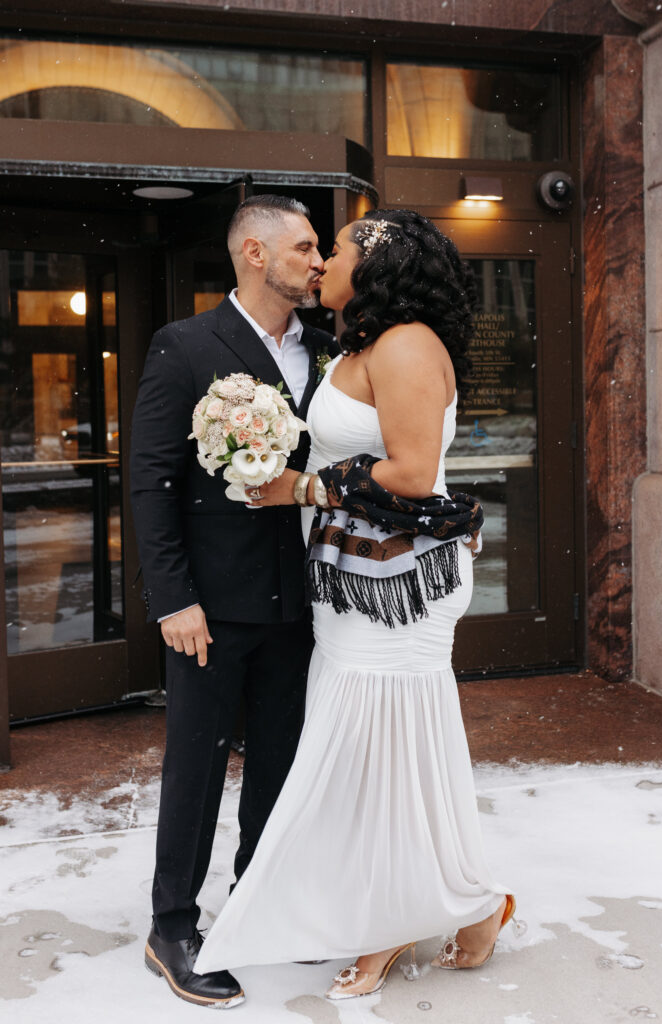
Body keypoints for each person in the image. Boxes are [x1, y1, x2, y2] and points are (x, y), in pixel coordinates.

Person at [193, 209, 515, 1000]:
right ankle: (467, 902)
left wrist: (299, 488)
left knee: (385, 749)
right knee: (379, 751)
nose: (320, 261)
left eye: (332, 250)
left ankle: (393, 919)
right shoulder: (360, 345)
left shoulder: (405, 345)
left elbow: (411, 473)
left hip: (398, 588)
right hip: (353, 582)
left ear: (374, 266)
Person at [129, 194, 338, 1009]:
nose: (318, 261)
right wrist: (172, 598)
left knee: (281, 765)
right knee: (197, 764)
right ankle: (172, 926)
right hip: (210, 608)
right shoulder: (185, 345)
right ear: (255, 252)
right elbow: (151, 480)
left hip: (305, 603)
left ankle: (259, 900)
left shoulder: (326, 350)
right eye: (305, 247)